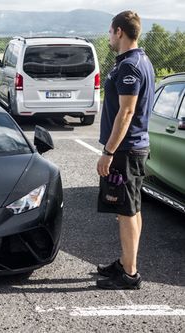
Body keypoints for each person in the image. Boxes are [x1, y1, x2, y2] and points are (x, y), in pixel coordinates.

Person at [95, 11, 155, 290]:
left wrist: (108, 152)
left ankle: (129, 274)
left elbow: (127, 111)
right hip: (133, 148)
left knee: (127, 211)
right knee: (131, 209)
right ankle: (125, 262)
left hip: (126, 150)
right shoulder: (142, 60)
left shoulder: (130, 65)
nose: (109, 37)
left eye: (110, 32)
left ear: (119, 32)